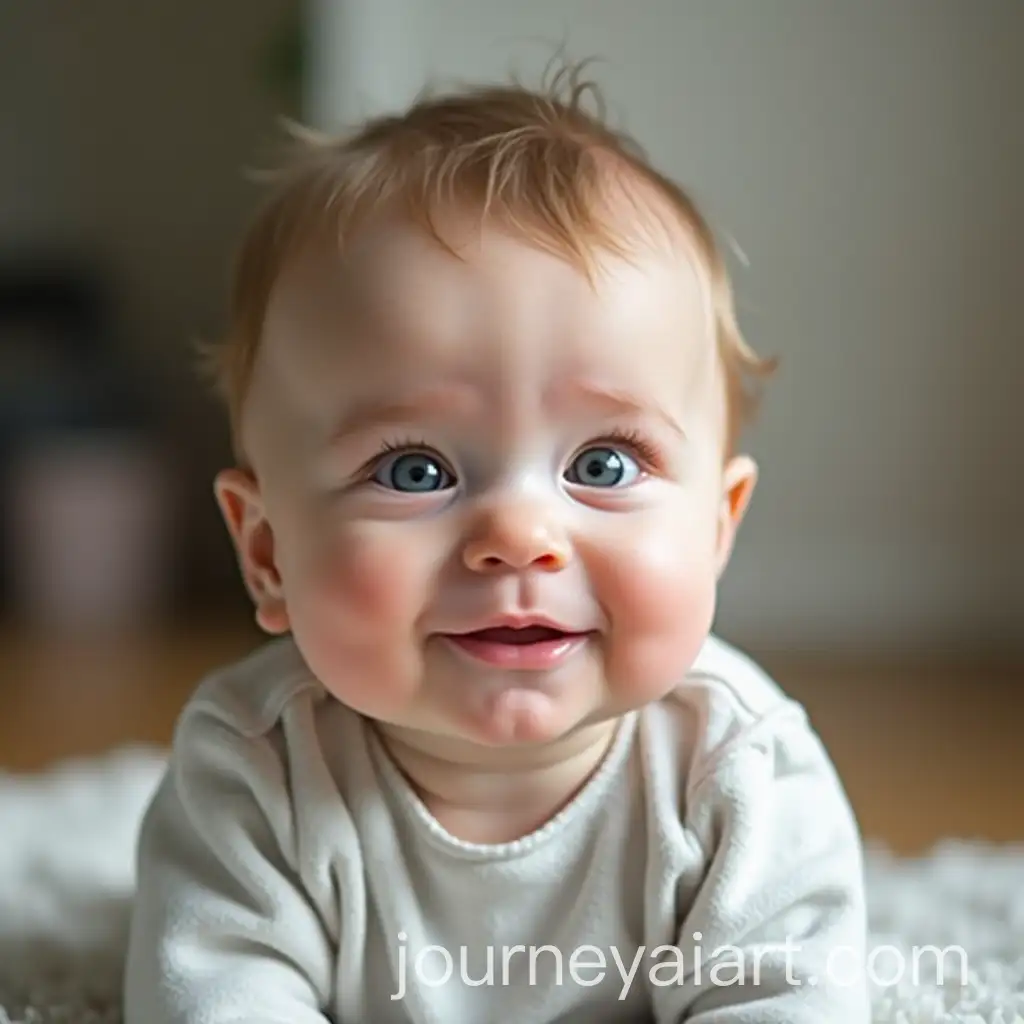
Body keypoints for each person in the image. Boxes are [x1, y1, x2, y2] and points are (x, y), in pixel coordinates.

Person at [124, 64, 869, 1023]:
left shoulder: (739, 771)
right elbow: (213, 998)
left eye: (603, 464)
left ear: (717, 527)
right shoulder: (257, 770)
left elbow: (789, 998)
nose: (519, 538)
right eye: (414, 471)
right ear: (267, 554)